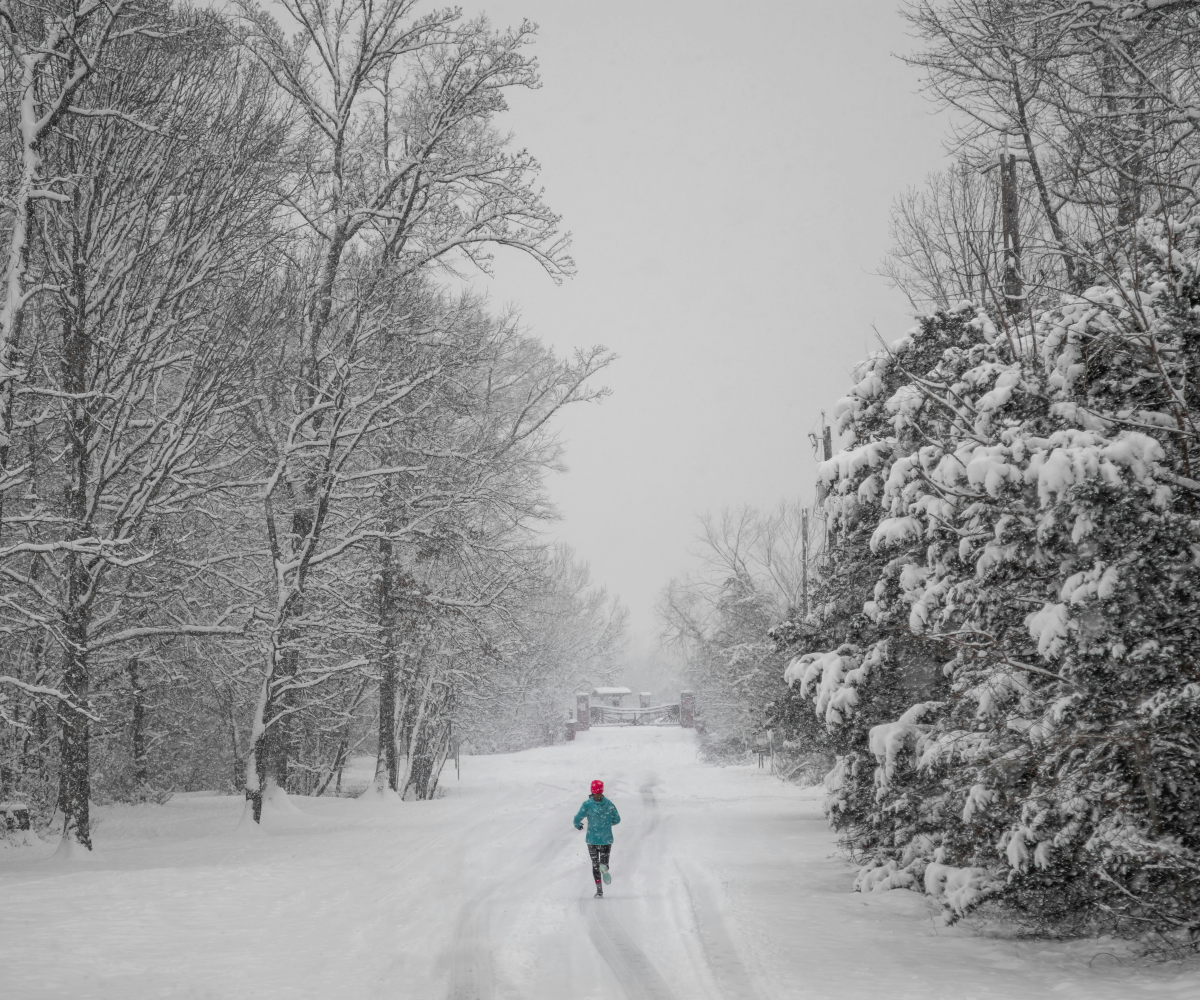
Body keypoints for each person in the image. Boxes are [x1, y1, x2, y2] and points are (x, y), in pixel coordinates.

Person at [573, 779, 621, 898]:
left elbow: (577, 818)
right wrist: (607, 823)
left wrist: (578, 825)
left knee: (595, 864)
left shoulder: (587, 805)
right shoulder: (609, 804)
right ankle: (605, 867)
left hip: (592, 839)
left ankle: (599, 891)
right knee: (604, 863)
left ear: (592, 790)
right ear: (602, 790)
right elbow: (617, 819)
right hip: (606, 839)